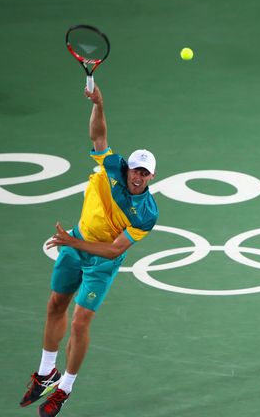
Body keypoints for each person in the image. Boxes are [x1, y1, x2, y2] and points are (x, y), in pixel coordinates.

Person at [19, 84, 159, 417]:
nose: (138, 176)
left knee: (81, 321)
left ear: (152, 176)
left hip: (99, 260)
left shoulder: (147, 213)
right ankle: (45, 372)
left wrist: (73, 243)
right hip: (77, 241)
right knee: (56, 304)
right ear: (127, 168)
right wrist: (99, 104)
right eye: (135, 169)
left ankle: (64, 388)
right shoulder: (112, 167)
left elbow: (113, 252)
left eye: (145, 172)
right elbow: (99, 136)